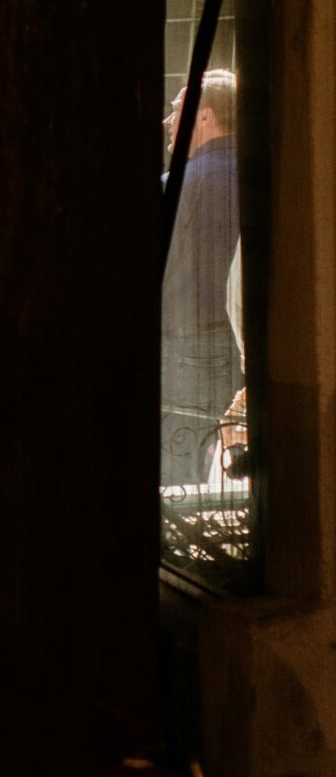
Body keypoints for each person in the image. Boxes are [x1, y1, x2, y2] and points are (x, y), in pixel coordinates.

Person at [162, 69, 242, 484]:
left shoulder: (178, 187)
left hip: (186, 350)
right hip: (239, 352)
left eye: (176, 109)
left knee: (176, 484)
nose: (167, 121)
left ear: (205, 116)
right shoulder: (260, 180)